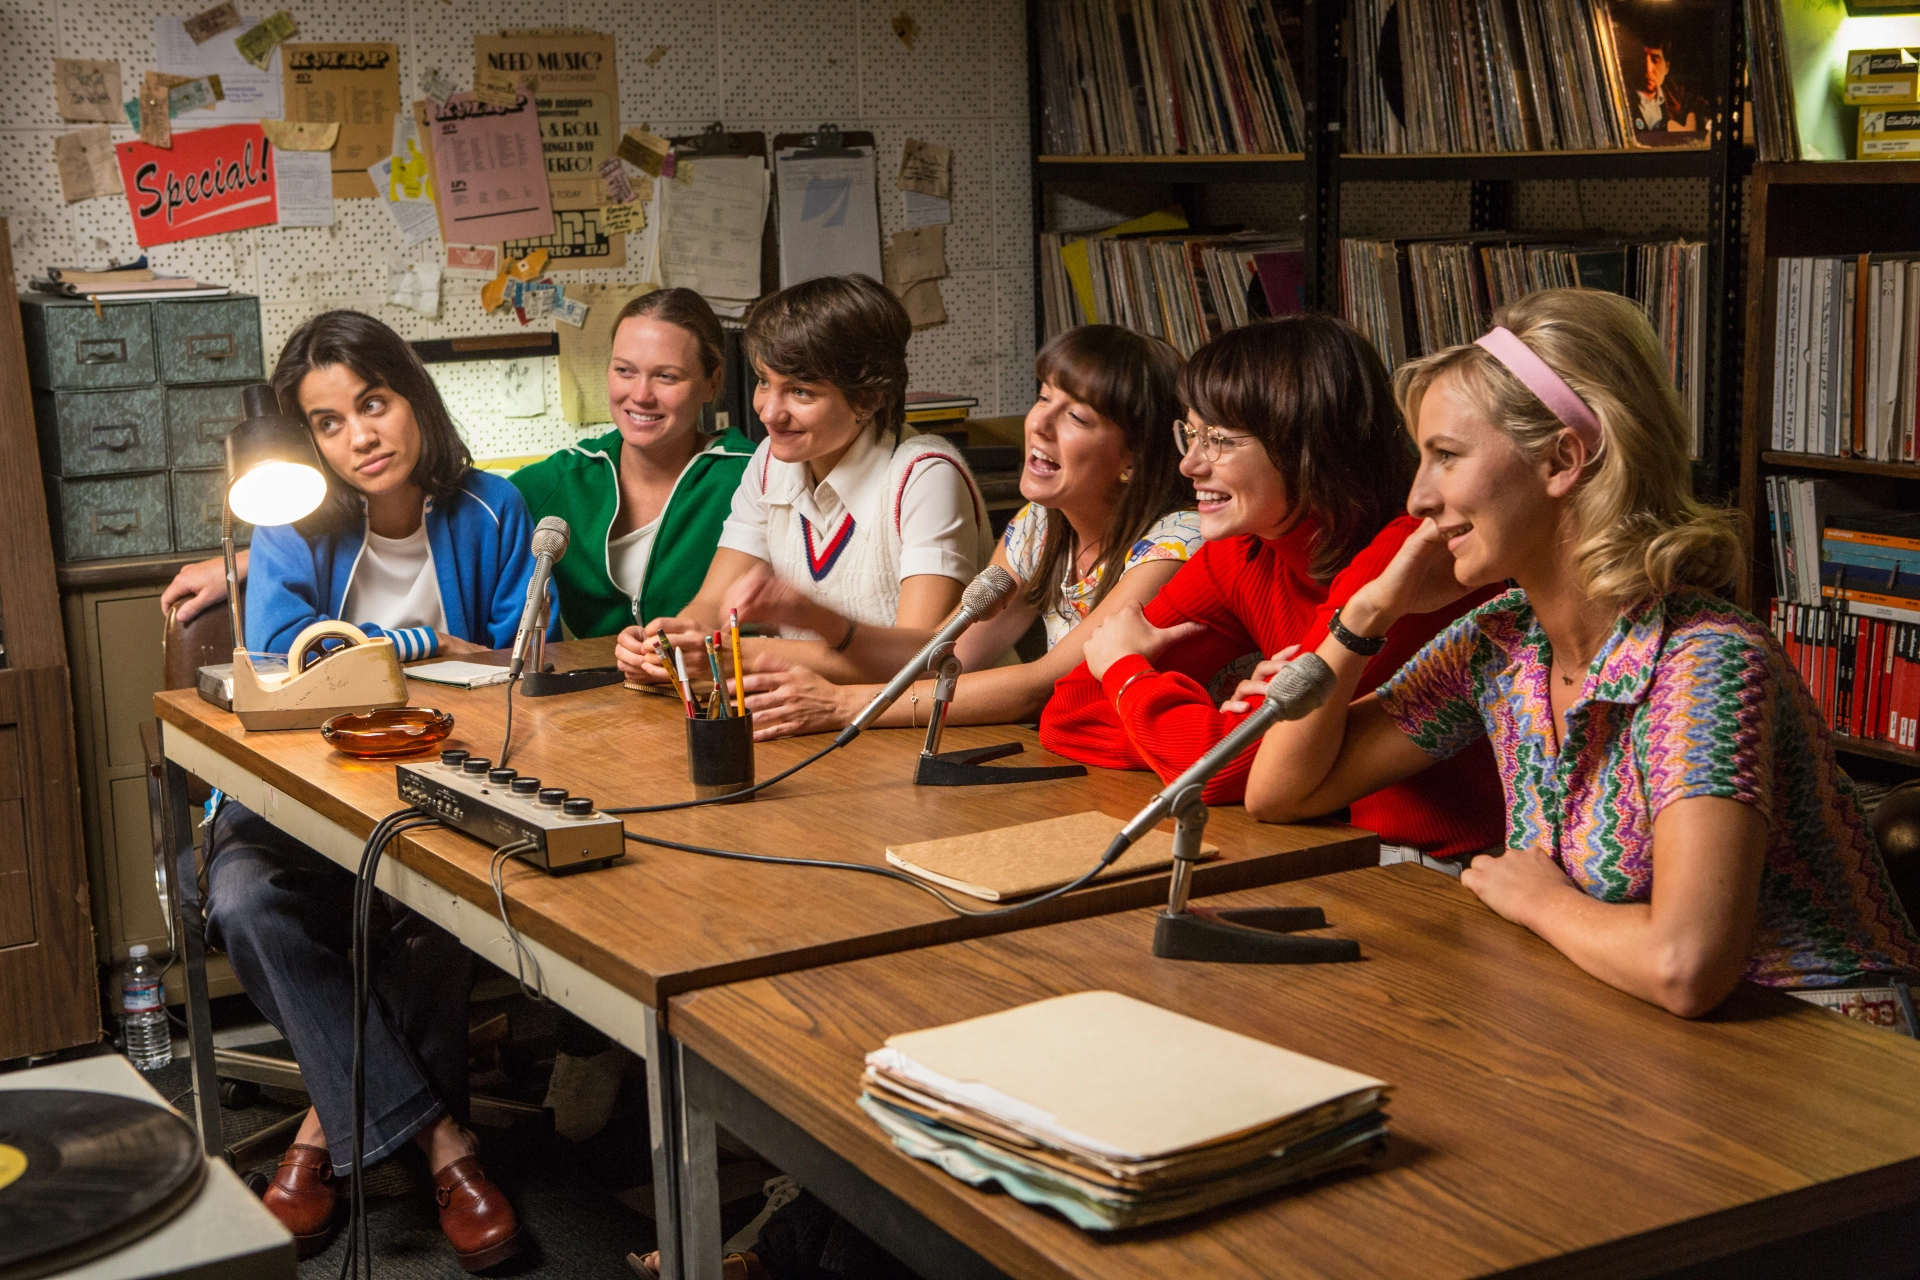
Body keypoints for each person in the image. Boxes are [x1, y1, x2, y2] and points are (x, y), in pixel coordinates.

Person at [1238, 289, 1920, 1021]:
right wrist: (1366, 614)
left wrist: (1540, 902)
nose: (1417, 498)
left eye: (1446, 457)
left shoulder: (1704, 662)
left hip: (1822, 1050)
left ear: (1562, 460)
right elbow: (1281, 794)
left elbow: (1686, 965)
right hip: (1627, 1020)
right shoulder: (1504, 641)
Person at [203, 311, 542, 1270]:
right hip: (298, 794)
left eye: (374, 402)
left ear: (412, 398)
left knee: (444, 908)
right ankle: (444, 1144)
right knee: (239, 898)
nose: (360, 436)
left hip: (434, 786)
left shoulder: (493, 507)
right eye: (328, 422)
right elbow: (283, 660)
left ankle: (323, 1131)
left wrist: (474, 658)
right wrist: (430, 645)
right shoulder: (289, 519)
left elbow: (518, 659)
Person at [1040, 315, 1507, 866]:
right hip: (1316, 846)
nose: (1189, 464)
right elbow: (1069, 714)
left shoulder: (1404, 555)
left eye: (1220, 441)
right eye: (1190, 434)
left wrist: (1125, 672)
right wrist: (1216, 718)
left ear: (1306, 447)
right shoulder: (1244, 550)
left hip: (1438, 874)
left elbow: (1232, 772)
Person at [159, 289, 752, 636]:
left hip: (701, 699)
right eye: (624, 371)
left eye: (666, 376)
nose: (640, 395)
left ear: (712, 382)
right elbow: (282, 651)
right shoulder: (571, 473)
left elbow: (514, 630)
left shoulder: (753, 478)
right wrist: (249, 558)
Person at [731, 324, 1202, 740]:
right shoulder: (1039, 524)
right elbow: (943, 652)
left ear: (1134, 457)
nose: (1039, 424)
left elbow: (1043, 686)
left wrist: (844, 705)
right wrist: (822, 621)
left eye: (1076, 417)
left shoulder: (1177, 542)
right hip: (1088, 761)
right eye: (1042, 397)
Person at [614, 274, 994, 688]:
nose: (768, 412)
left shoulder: (924, 476)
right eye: (764, 382)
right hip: (814, 717)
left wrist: (732, 656)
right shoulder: (768, 462)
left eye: (800, 392)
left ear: (868, 397)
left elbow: (920, 658)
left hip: (932, 728)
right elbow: (712, 604)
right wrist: (668, 645)